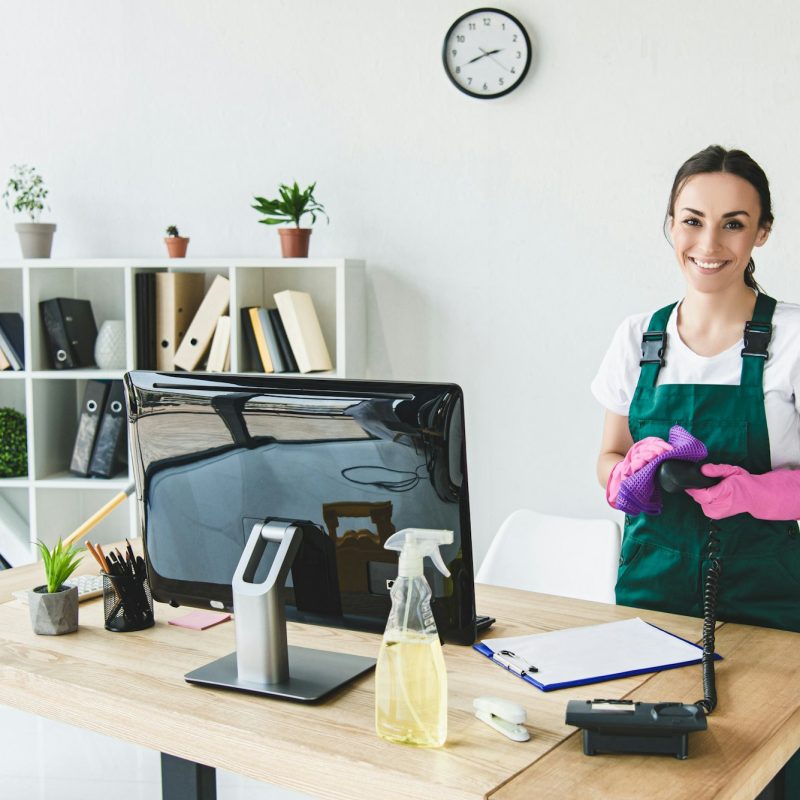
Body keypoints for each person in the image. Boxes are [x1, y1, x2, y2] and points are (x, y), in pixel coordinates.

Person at [592, 144, 800, 794]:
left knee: (762, 773)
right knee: (649, 775)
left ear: (762, 231)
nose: (709, 241)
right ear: (670, 224)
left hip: (769, 599)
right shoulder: (638, 337)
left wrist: (760, 493)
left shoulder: (793, 340)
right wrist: (624, 477)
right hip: (651, 594)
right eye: (692, 219)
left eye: (734, 222)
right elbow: (607, 454)